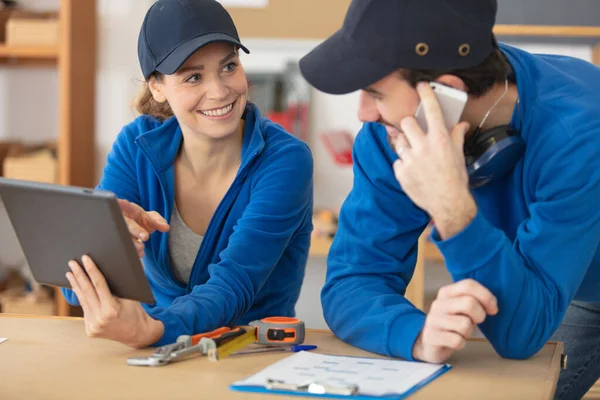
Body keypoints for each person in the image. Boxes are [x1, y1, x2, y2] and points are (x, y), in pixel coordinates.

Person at [299, 1, 600, 399]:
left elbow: (521, 334)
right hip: (540, 275)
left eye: (375, 92)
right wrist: (418, 335)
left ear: (446, 92)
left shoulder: (577, 132)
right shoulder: (391, 132)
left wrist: (451, 206)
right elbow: (352, 280)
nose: (363, 112)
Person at [61, 0, 313, 349]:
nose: (220, 91)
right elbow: (72, 286)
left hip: (249, 353)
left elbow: (232, 287)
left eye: (228, 66)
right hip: (156, 352)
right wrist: (99, 245)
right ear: (157, 87)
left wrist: (151, 329)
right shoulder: (137, 148)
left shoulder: (284, 160)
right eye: (193, 76)